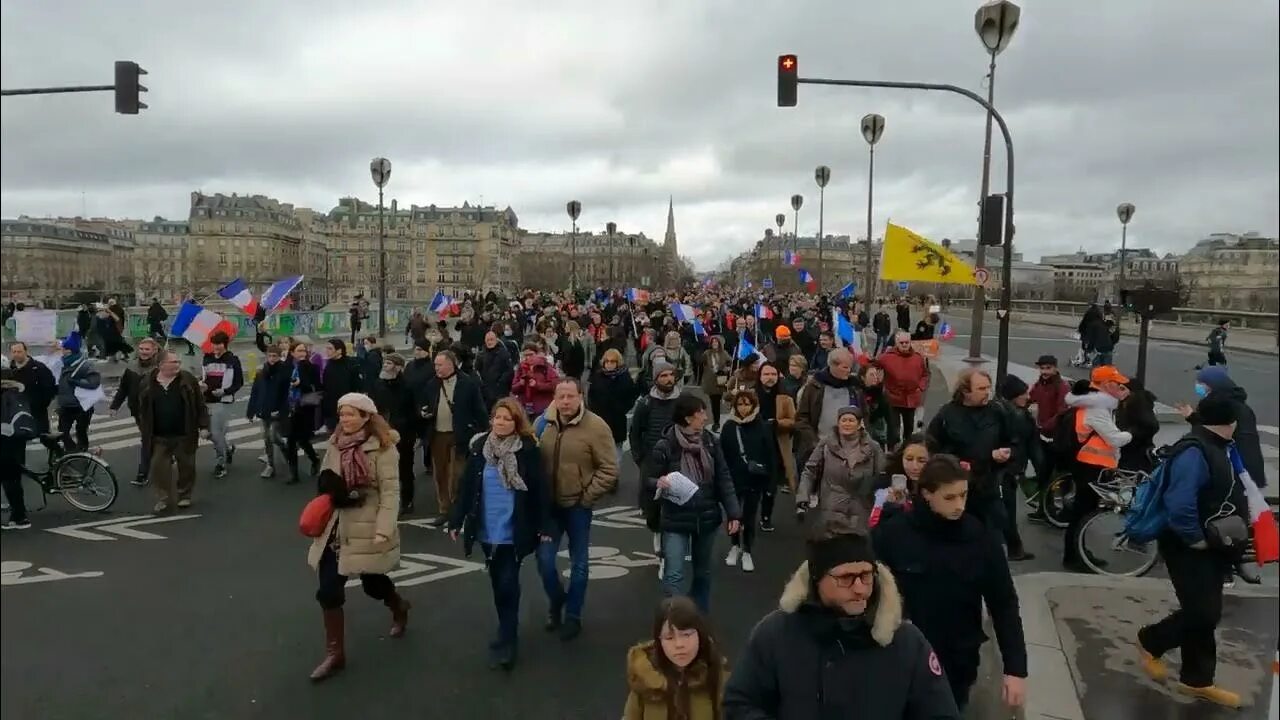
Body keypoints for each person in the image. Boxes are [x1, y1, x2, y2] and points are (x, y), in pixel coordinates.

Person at [722, 533, 961, 719]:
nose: (860, 588)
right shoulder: (776, 634)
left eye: (866, 575)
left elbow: (940, 714)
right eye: (846, 578)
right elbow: (739, 703)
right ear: (817, 580)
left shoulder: (906, 642)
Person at [873, 455, 1028, 712]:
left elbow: (1003, 604)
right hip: (899, 657)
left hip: (956, 662)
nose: (958, 505)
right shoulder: (894, 534)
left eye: (963, 495)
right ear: (926, 494)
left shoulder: (981, 540)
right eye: (949, 497)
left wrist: (1016, 669)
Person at [1136, 395, 1247, 708]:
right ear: (1231, 421)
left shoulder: (1213, 444)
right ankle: (1151, 640)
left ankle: (1197, 679)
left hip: (1210, 544)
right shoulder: (1196, 451)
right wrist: (1196, 539)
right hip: (1189, 545)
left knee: (1206, 611)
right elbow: (1180, 504)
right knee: (1203, 612)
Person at [306, 392, 410, 682]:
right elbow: (326, 477)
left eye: (351, 414)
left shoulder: (384, 448)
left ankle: (398, 605)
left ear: (366, 416)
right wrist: (330, 489)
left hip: (366, 523)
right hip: (337, 525)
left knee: (373, 584)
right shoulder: (335, 444)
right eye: (342, 414)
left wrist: (383, 529)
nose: (345, 420)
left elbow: (390, 493)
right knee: (328, 591)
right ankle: (335, 654)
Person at [449, 398, 550, 670]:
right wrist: (456, 521)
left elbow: (540, 490)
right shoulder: (480, 448)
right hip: (486, 528)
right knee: (497, 582)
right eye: (497, 417)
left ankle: (509, 637)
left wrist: (544, 526)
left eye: (507, 418)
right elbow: (467, 487)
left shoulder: (527, 450)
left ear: (517, 423)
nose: (501, 422)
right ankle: (505, 628)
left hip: (513, 528)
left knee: (508, 581)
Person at [536, 378, 618, 640]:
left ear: (581, 397)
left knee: (579, 563)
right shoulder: (542, 423)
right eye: (561, 396)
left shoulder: (596, 427)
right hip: (549, 507)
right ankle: (557, 600)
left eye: (571, 396)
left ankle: (573, 615)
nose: (566, 401)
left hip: (578, 506)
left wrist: (587, 496)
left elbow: (609, 468)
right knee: (545, 561)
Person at [643, 394, 742, 612]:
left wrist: (734, 513)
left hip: (706, 516)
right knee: (675, 572)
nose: (705, 417)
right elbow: (648, 478)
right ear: (688, 418)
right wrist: (658, 482)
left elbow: (723, 478)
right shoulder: (666, 445)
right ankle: (674, 619)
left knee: (702, 572)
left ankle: (699, 620)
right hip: (675, 517)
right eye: (701, 413)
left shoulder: (710, 441)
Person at [925, 368, 1014, 538]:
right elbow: (932, 447)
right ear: (965, 391)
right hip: (958, 488)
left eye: (988, 388)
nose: (987, 393)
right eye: (981, 389)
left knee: (994, 536)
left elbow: (1012, 441)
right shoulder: (947, 414)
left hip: (988, 486)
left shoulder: (997, 412)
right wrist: (952, 464)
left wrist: (1006, 455)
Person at [1062, 366, 1133, 572]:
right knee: (1082, 514)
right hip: (1090, 466)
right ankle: (1075, 556)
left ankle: (1078, 552)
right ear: (1104, 384)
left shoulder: (1096, 402)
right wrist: (1132, 434)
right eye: (1116, 383)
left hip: (1088, 464)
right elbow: (1114, 438)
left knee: (1082, 513)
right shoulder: (1097, 407)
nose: (1120, 386)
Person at [623, 596, 729, 720]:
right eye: (669, 638)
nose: (679, 644)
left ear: (700, 635)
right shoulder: (645, 677)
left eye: (687, 635)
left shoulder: (718, 675)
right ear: (659, 641)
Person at [421, 350, 488, 524]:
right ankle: (444, 509)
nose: (437, 368)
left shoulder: (468, 383)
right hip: (437, 435)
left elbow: (479, 409)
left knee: (457, 474)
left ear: (451, 364)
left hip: (460, 435)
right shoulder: (432, 384)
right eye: (435, 364)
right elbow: (425, 404)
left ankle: (458, 507)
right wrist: (424, 412)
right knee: (440, 474)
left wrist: (482, 431)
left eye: (440, 364)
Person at [137, 351, 209, 513]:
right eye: (173, 362)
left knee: (187, 466)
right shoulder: (148, 383)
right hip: (159, 436)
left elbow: (200, 405)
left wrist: (204, 426)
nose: (177, 365)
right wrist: (144, 428)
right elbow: (141, 408)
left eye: (178, 361)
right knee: (158, 467)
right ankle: (164, 498)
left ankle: (184, 494)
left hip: (184, 433)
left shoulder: (187, 380)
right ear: (161, 365)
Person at [797, 405, 886, 536]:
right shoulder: (826, 444)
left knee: (857, 551)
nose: (847, 424)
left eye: (851, 420)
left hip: (861, 510)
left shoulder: (873, 447)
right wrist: (803, 497)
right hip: (831, 509)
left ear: (860, 424)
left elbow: (882, 476)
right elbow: (809, 471)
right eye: (843, 420)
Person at [1177, 365, 1267, 489]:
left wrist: (1193, 418)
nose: (1197, 386)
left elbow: (1209, 434)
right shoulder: (1239, 405)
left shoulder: (1217, 406)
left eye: (1200, 383)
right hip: (1251, 471)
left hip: (1236, 472)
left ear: (1210, 384)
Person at [719, 390, 777, 573]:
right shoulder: (729, 427)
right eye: (740, 404)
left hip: (754, 479)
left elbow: (771, 456)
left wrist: (771, 482)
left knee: (749, 516)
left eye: (747, 404)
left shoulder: (763, 426)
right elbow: (722, 455)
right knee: (733, 515)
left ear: (753, 405)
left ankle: (747, 551)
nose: (744, 408)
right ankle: (734, 545)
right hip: (733, 478)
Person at [108, 337, 162, 485]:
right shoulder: (131, 367)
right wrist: (114, 406)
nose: (144, 352)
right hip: (138, 410)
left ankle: (142, 473)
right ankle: (163, 457)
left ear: (154, 350)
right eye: (142, 349)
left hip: (156, 411)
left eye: (147, 349)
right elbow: (124, 388)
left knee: (148, 440)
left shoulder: (161, 368)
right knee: (151, 439)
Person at [370, 353, 419, 515]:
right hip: (382, 432)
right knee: (382, 469)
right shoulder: (377, 384)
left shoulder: (407, 386)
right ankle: (386, 501)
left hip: (404, 434)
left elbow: (413, 411)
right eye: (384, 362)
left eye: (389, 363)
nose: (385, 365)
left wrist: (412, 432)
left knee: (404, 468)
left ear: (398, 367)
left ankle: (407, 500)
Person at [995, 375, 1037, 561]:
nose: (1027, 397)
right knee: (1007, 511)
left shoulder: (1001, 411)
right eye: (1023, 394)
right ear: (1013, 396)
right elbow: (1029, 446)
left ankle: (1013, 547)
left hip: (1005, 468)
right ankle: (1014, 548)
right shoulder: (1019, 417)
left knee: (1006, 510)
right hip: (1008, 469)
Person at [1026, 354, 1069, 523]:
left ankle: (1062, 509)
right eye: (1042, 368)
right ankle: (1044, 509)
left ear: (1055, 368)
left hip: (1057, 438)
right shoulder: (1040, 384)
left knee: (1058, 475)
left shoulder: (1062, 387)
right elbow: (1030, 397)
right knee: (1044, 474)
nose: (1044, 371)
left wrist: (1046, 425)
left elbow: (1062, 412)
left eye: (1048, 368)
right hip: (1043, 436)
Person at [200, 331, 244, 479]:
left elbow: (239, 382)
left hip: (223, 401)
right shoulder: (207, 358)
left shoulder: (232, 360)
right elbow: (204, 377)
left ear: (224, 344)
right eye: (214, 344)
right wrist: (202, 384)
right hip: (206, 399)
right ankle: (227, 449)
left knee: (215, 432)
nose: (216, 347)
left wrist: (225, 391)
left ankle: (221, 463)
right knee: (210, 433)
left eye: (219, 344)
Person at [279, 341, 323, 485]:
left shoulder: (312, 367)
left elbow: (316, 387)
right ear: (292, 353)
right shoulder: (287, 367)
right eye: (299, 351)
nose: (302, 353)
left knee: (303, 439)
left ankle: (315, 459)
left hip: (305, 407)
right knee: (291, 440)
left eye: (304, 351)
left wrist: (301, 384)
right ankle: (294, 474)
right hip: (290, 407)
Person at [586, 348, 638, 471]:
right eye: (607, 361)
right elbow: (591, 396)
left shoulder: (624, 378)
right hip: (600, 419)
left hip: (617, 419)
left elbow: (631, 397)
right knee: (600, 451)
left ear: (617, 362)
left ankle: (613, 476)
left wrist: (622, 409)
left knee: (616, 452)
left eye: (612, 361)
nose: (609, 364)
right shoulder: (597, 377)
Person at [876, 331, 929, 450]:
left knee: (909, 429)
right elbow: (874, 366)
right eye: (902, 343)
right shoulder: (886, 357)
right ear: (896, 343)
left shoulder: (918, 357)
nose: (904, 345)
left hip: (911, 398)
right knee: (893, 430)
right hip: (893, 398)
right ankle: (892, 452)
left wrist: (921, 387)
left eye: (907, 342)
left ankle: (907, 451)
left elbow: (925, 374)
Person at [246, 345, 288, 479]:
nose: (272, 359)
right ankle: (270, 465)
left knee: (273, 436)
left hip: (278, 411)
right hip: (264, 411)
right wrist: (250, 411)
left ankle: (285, 449)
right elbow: (255, 393)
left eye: (275, 356)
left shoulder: (284, 373)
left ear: (279, 356)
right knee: (267, 439)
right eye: (270, 356)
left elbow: (287, 395)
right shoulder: (261, 373)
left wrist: (283, 410)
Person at [54, 332, 100, 453]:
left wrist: (76, 382)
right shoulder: (62, 363)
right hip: (65, 406)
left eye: (64, 348)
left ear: (70, 350)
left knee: (81, 431)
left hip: (82, 406)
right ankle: (72, 452)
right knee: (62, 432)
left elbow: (94, 383)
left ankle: (82, 451)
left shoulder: (85, 365)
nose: (62, 350)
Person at [7, 341, 56, 436]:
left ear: (26, 351)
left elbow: (49, 387)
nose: (16, 354)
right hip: (17, 412)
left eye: (19, 351)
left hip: (37, 410)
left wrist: (42, 403)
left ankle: (55, 449)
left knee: (43, 435)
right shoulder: (8, 370)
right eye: (14, 352)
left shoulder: (38, 368)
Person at [320, 339, 361, 433]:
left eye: (330, 348)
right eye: (326, 348)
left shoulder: (350, 364)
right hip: (331, 407)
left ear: (339, 350)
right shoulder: (329, 365)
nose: (327, 351)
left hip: (347, 405)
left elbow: (356, 384)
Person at [697, 336, 732, 428]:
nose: (715, 344)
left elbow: (730, 363)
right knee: (714, 401)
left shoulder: (724, 353)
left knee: (718, 400)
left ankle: (717, 420)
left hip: (720, 380)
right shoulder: (707, 353)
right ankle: (716, 422)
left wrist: (725, 370)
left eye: (716, 342)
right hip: (710, 380)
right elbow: (701, 364)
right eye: (713, 342)